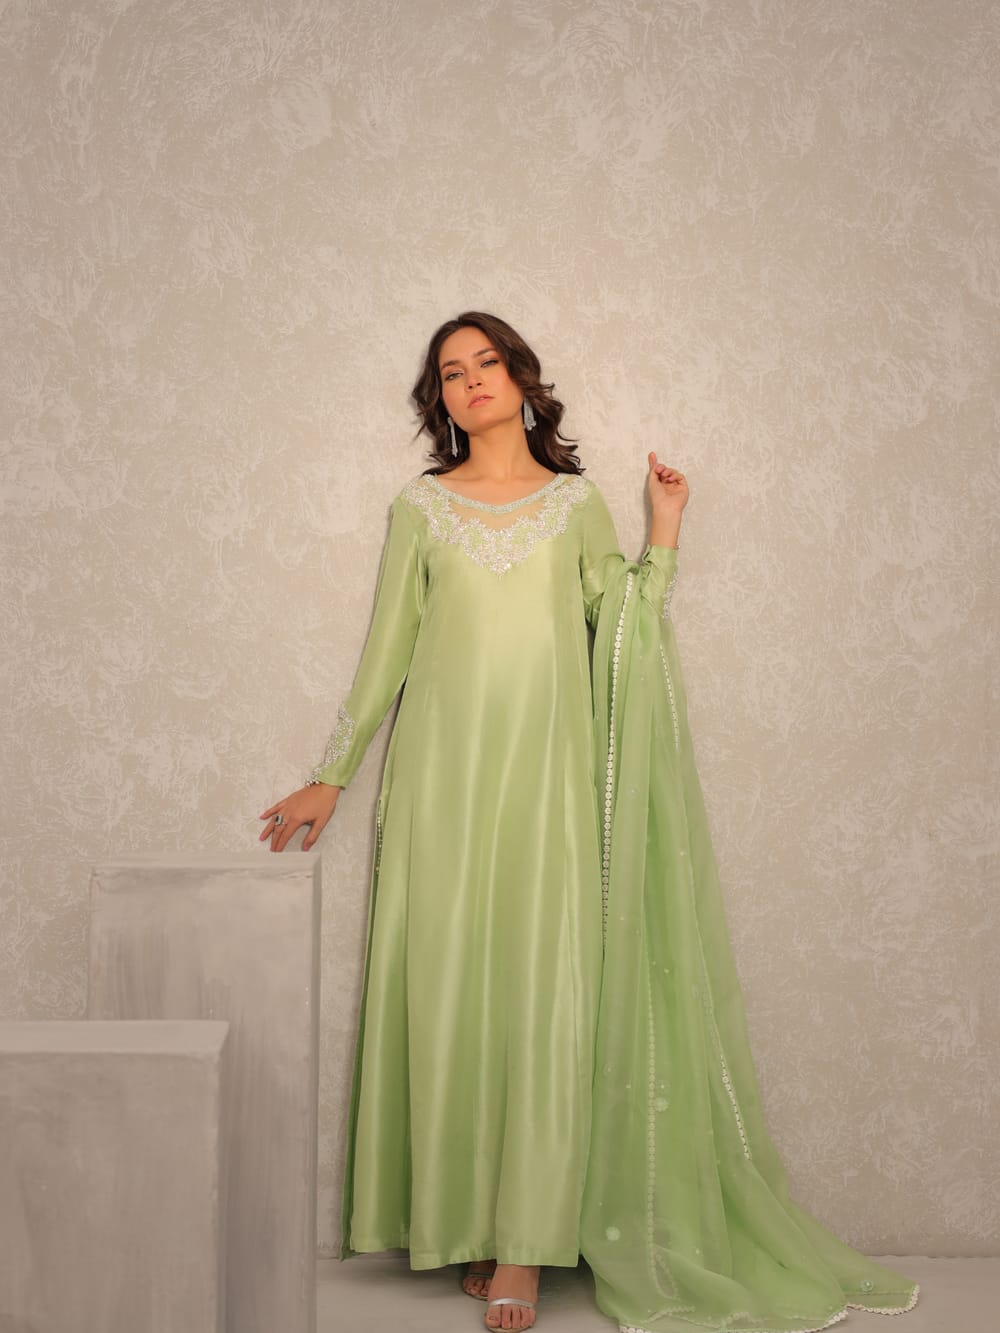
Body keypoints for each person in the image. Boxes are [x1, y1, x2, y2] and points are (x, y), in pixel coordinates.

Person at [259, 313, 920, 1333]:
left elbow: (621, 626)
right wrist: (330, 776)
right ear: (440, 400)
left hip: (550, 781)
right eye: (452, 372)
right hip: (440, 780)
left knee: (542, 996)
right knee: (449, 990)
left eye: (487, 362)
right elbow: (387, 647)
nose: (472, 381)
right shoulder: (420, 507)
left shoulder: (574, 505)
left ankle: (525, 1244)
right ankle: (467, 1224)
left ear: (523, 379)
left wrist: (664, 530)